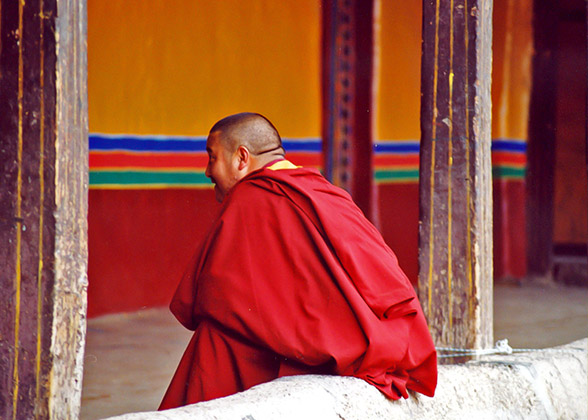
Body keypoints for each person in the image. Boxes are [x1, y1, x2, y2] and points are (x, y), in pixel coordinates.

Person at [159, 112, 437, 410]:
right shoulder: (328, 192)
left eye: (212, 157)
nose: (207, 171)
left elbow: (209, 297)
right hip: (379, 341)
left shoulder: (249, 198)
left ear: (242, 158)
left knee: (217, 338)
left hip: (306, 351)